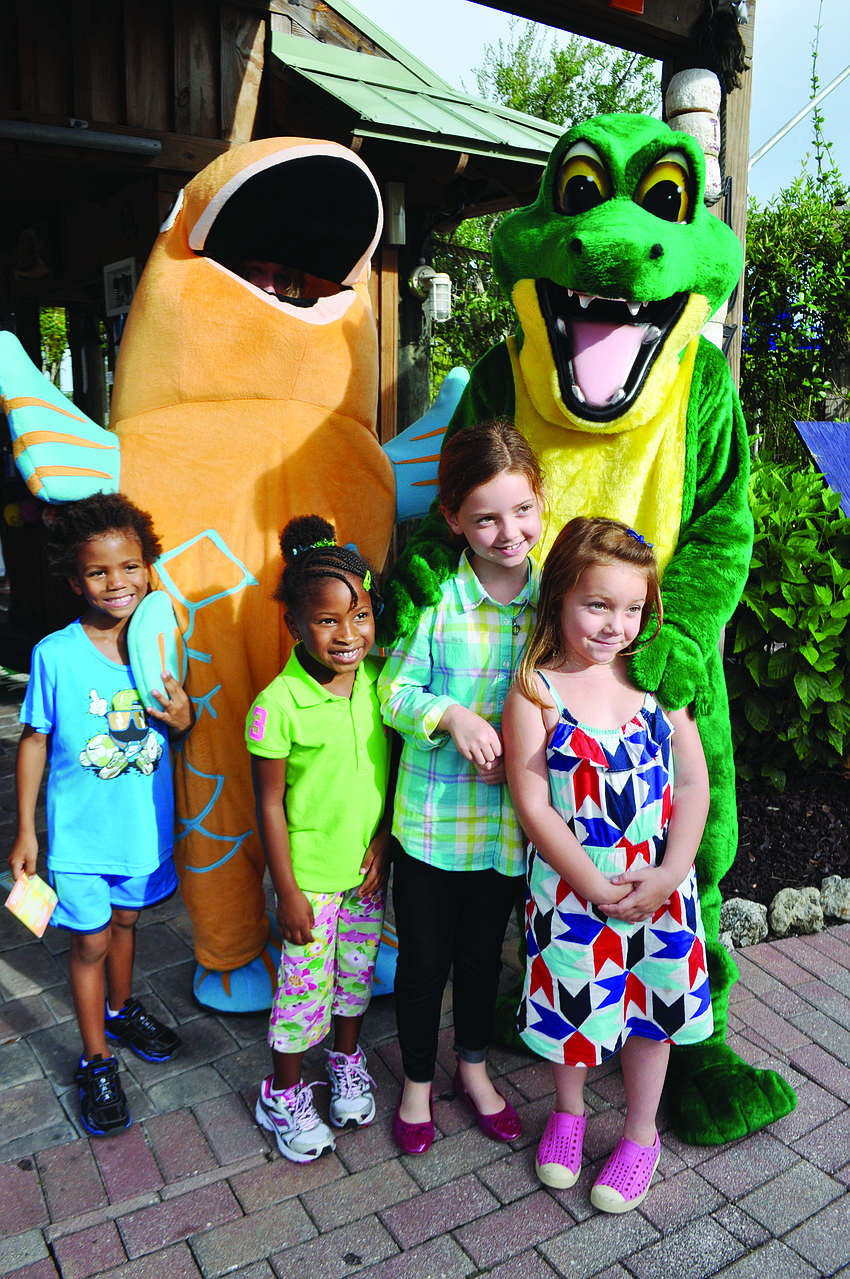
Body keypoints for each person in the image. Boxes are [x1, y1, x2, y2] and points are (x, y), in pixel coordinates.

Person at [503, 517, 712, 1213]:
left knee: (652, 1012)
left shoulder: (654, 681)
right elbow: (533, 799)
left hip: (660, 893)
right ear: (559, 596)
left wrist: (670, 872)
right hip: (572, 894)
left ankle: (641, 1132)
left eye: (630, 608)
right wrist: (591, 884)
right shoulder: (537, 688)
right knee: (574, 1012)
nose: (614, 625)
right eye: (597, 604)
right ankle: (568, 1113)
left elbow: (694, 782)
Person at [378, 418, 545, 1155]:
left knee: (484, 959)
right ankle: (417, 1082)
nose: (508, 532)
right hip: (432, 820)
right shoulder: (438, 597)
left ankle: (472, 1069)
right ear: (453, 519)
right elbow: (391, 688)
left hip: (510, 826)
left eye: (523, 510)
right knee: (423, 961)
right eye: (485, 518)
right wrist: (448, 714)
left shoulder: (553, 600)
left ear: (542, 501)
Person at [8, 493, 194, 1137]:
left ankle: (120, 1007)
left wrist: (184, 716)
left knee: (128, 922)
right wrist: (26, 829)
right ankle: (96, 1057)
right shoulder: (55, 654)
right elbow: (33, 739)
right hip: (82, 841)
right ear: (73, 579)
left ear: (149, 568)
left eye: (130, 568)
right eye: (97, 572)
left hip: (142, 831)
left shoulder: (163, 641)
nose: (117, 583)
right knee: (88, 941)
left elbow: (179, 717)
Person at [246, 516, 394, 1164]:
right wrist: (287, 890)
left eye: (358, 615)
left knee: (354, 978)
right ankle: (281, 1093)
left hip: (363, 872)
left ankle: (345, 1060)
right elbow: (269, 802)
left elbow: (389, 770)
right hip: (309, 880)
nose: (347, 634)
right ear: (295, 625)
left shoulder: (376, 681)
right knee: (302, 993)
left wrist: (384, 841)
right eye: (328, 620)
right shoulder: (276, 704)